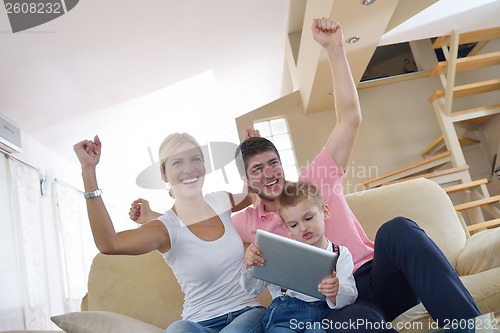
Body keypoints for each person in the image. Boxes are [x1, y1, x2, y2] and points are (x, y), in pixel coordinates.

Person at [131, 17, 480, 332]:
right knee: (363, 323)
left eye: (273, 163)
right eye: (257, 169)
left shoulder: (316, 180)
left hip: (377, 277)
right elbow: (195, 231)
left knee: (398, 229)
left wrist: (335, 50)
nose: (269, 173)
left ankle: (469, 327)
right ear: (246, 181)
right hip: (338, 304)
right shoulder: (246, 223)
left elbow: (349, 119)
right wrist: (152, 217)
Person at [73, 133, 266, 333]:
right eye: (177, 163)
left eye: (195, 159)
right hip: (198, 323)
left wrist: (249, 149)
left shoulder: (220, 201)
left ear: (204, 166)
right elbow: (109, 243)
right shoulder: (164, 229)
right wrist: (88, 170)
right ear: (164, 174)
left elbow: (251, 193)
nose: (188, 168)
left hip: (248, 313)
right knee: (176, 330)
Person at [240, 181, 357, 332]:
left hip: (320, 319)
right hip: (283, 319)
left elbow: (351, 295)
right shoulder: (279, 251)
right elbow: (253, 288)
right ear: (287, 227)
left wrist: (336, 291)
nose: (303, 228)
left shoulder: (340, 254)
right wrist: (251, 264)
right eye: (294, 225)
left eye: (308, 218)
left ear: (325, 212)